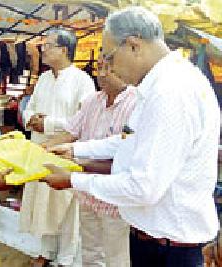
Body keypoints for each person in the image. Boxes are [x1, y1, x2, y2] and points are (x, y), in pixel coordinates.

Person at [43, 6, 220, 267]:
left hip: (167, 249)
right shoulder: (162, 84)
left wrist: (73, 179)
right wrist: (76, 150)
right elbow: (131, 139)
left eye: (110, 57)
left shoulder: (170, 92)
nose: (108, 68)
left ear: (134, 45)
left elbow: (143, 188)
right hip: (157, 241)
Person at [43, 53, 136, 266]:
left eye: (108, 70)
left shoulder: (135, 104)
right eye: (99, 69)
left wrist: (76, 161)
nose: (101, 75)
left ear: (123, 69)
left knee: (117, 257)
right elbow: (70, 132)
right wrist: (42, 149)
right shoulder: (92, 101)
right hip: (87, 192)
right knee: (90, 251)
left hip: (114, 197)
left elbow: (124, 155)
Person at [20, 28, 96, 266]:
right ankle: (46, 251)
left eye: (48, 45)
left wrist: (48, 124)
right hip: (39, 149)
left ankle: (65, 257)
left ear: (64, 50)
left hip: (65, 151)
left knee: (66, 206)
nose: (43, 49)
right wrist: (31, 119)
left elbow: (84, 122)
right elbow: (28, 108)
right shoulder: (43, 78)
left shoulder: (82, 81)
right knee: (43, 202)